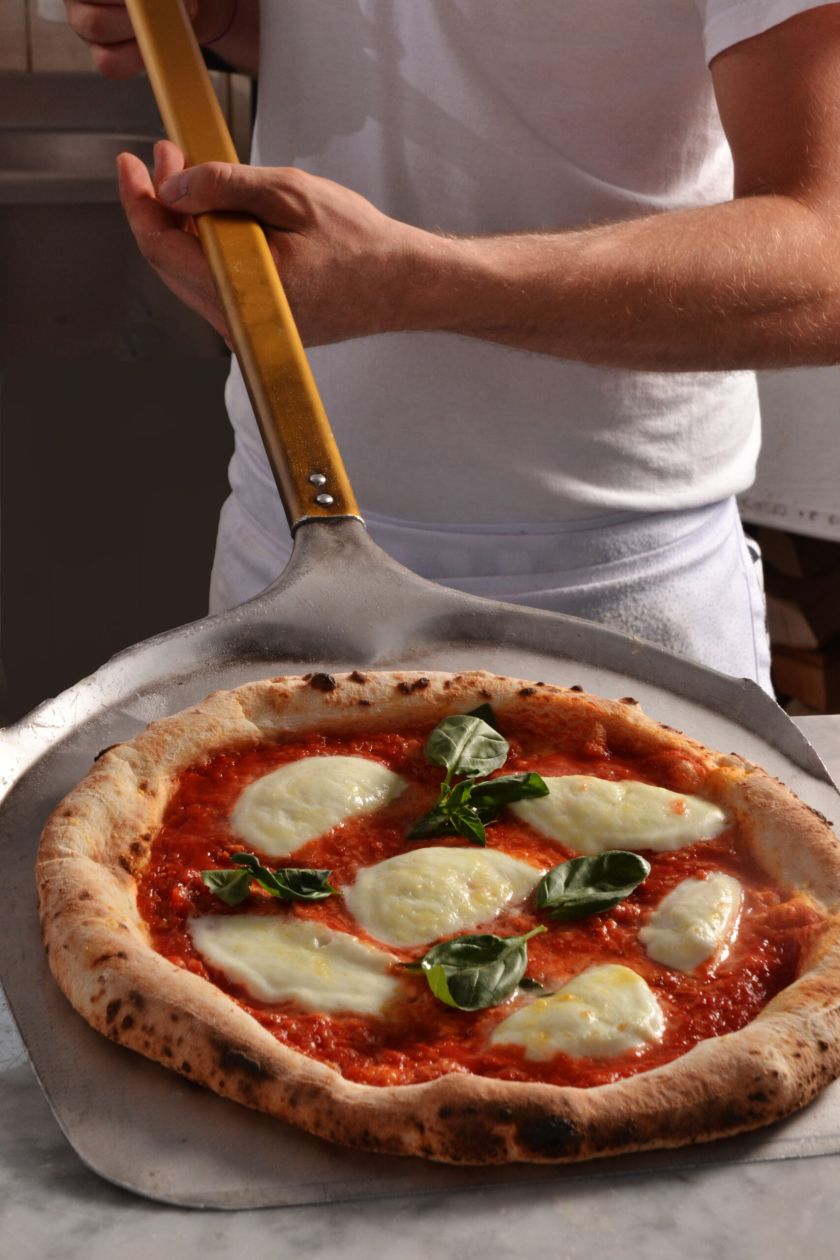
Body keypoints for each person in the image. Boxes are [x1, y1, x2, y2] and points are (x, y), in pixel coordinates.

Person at [64, 1, 840, 692]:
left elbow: (826, 258)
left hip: (603, 588)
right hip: (279, 545)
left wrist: (415, 284)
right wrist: (226, 22)